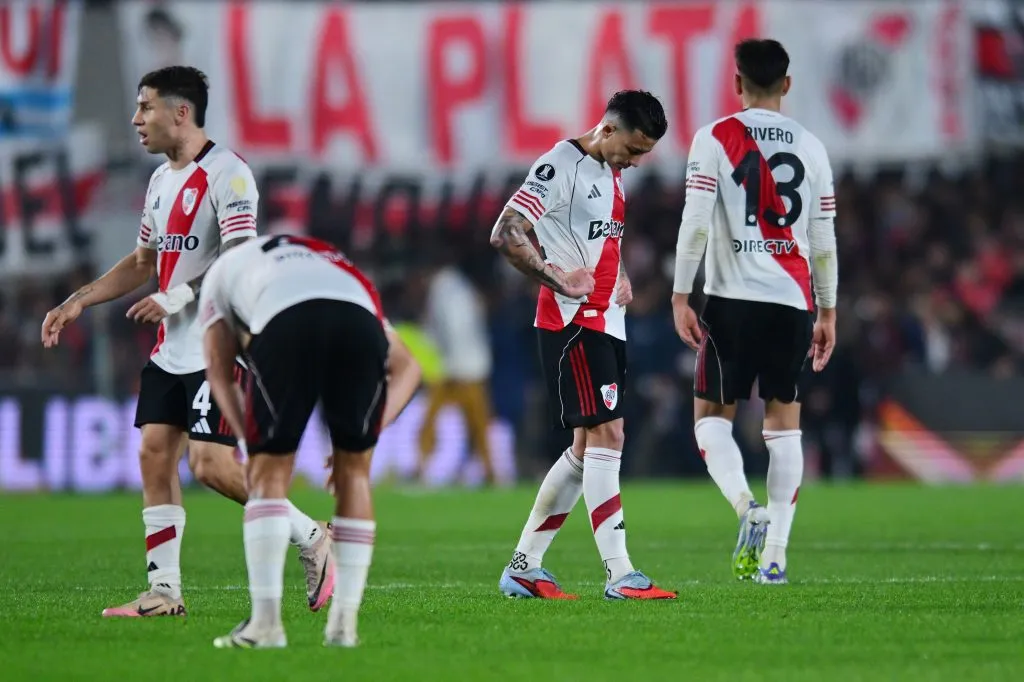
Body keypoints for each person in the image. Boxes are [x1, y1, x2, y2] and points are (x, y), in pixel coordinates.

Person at [40, 66, 332, 617]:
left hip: (220, 346)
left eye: (145, 107)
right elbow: (144, 262)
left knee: (211, 467)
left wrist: (176, 299)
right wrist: (80, 298)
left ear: (181, 112)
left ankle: (311, 535)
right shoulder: (160, 181)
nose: (135, 119)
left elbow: (242, 260)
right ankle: (164, 592)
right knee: (154, 456)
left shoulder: (230, 174)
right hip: (170, 350)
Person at [491, 90, 676, 600]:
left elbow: (597, 239)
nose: (637, 162)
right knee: (609, 434)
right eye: (634, 150)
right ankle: (620, 573)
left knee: (584, 446)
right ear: (608, 129)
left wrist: (617, 278)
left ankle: (525, 566)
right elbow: (507, 232)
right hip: (573, 322)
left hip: (606, 319)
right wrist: (553, 274)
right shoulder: (560, 164)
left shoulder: (612, 173)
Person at [199, 234, 421, 649]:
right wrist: (367, 437)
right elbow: (409, 368)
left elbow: (217, 368)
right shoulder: (338, 265)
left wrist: (249, 441)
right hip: (358, 323)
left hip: (285, 322)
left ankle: (265, 626)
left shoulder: (220, 274)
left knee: (269, 473)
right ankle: (343, 629)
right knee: (355, 473)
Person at [671, 39, 839, 585]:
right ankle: (777, 558)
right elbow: (823, 240)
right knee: (784, 426)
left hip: (730, 302)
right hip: (792, 302)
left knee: (709, 421)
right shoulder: (812, 148)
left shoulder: (714, 137)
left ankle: (748, 509)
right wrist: (828, 312)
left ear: (735, 81)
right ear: (787, 84)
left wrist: (680, 294)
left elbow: (695, 222)